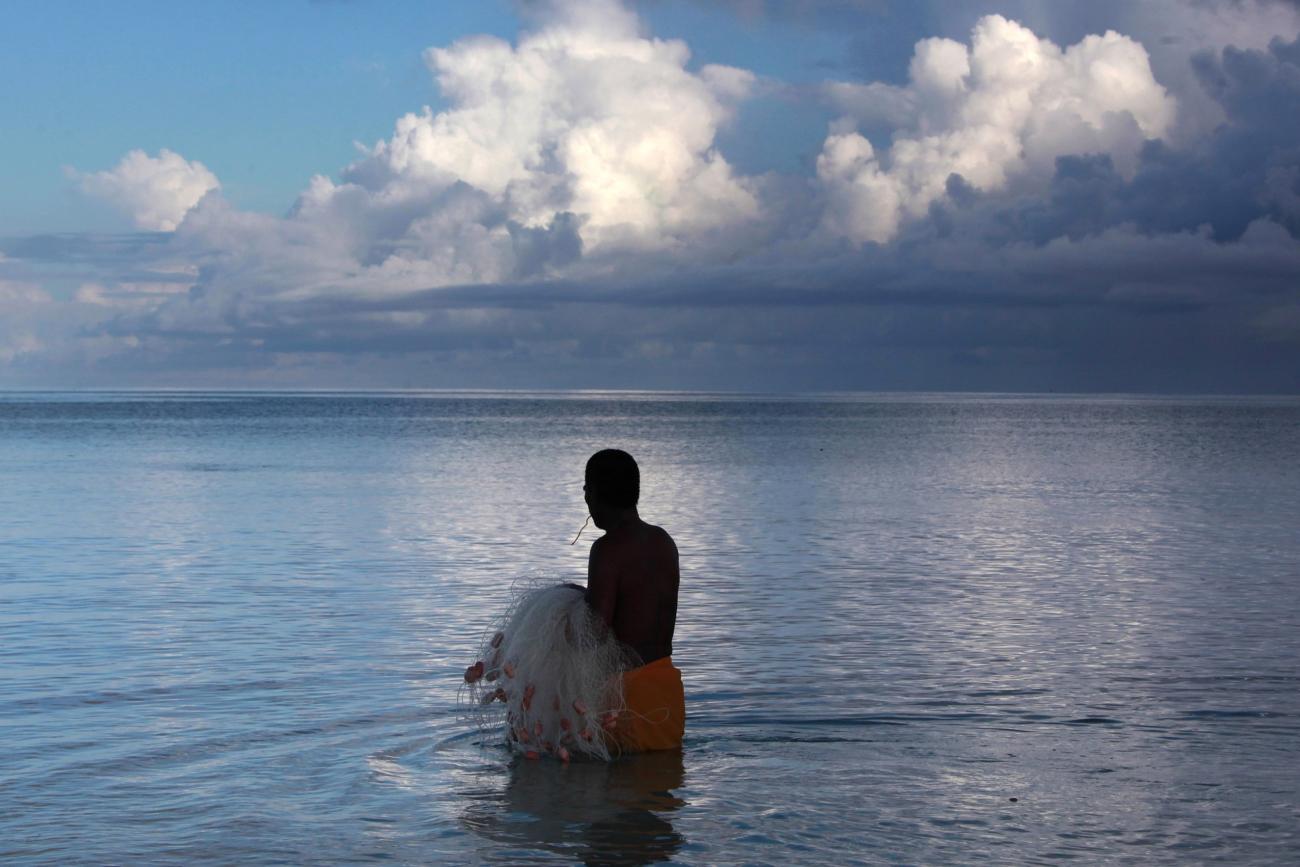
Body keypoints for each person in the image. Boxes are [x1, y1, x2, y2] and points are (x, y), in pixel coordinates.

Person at [581, 449, 684, 752]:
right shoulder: (663, 542)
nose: (585, 498)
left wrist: (567, 616)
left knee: (620, 791)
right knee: (660, 784)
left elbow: (595, 630)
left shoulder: (608, 549)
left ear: (597, 493)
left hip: (626, 696)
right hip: (667, 690)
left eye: (586, 489)